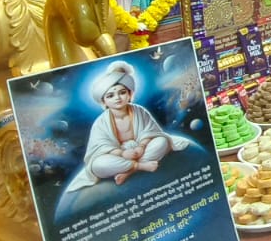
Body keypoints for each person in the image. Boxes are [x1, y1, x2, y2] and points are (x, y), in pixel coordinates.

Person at [67, 60, 190, 190]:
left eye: (122, 92)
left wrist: (141, 147)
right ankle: (140, 166)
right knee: (97, 165)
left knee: (162, 142)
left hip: (140, 150)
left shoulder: (139, 110)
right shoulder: (100, 122)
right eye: (110, 95)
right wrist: (122, 153)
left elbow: (150, 131)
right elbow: (100, 146)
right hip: (118, 155)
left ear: (129, 94)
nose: (118, 98)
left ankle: (128, 172)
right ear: (104, 102)